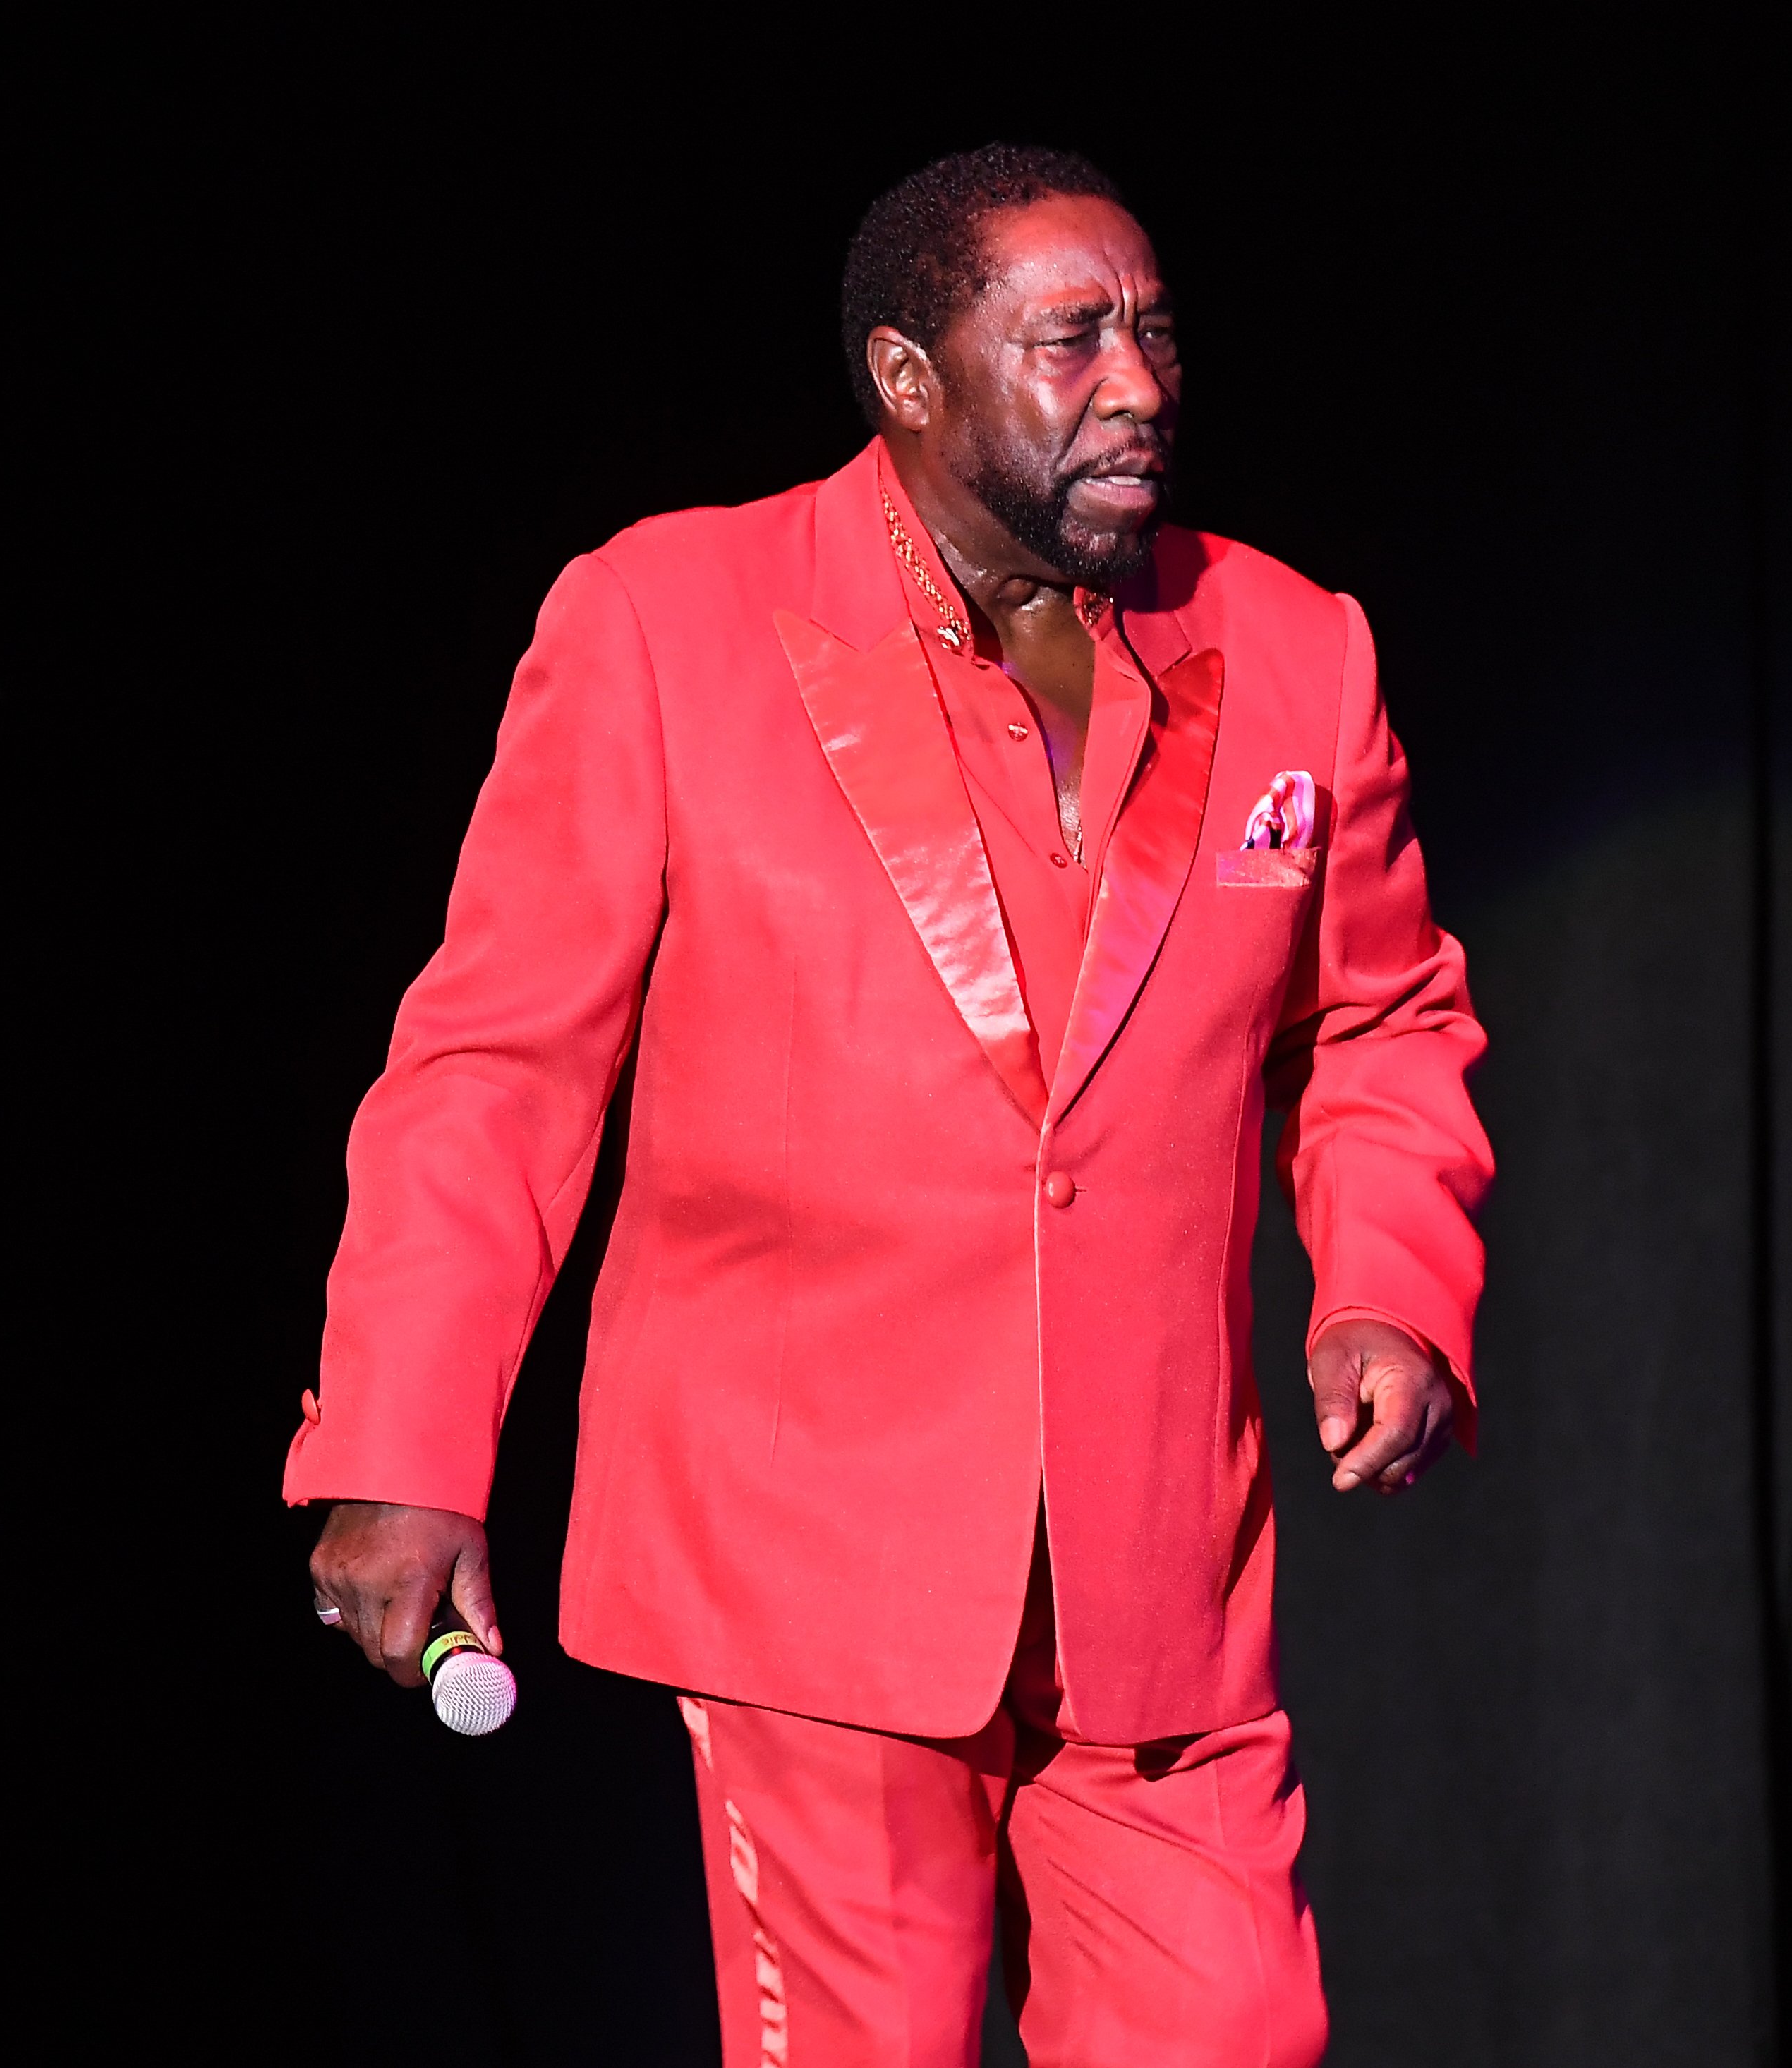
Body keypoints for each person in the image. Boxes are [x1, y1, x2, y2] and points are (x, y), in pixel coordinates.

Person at [291, 143, 1492, 2068]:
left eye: (1158, 334)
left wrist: (1392, 1282)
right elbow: (499, 1061)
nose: (1141, 386)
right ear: (908, 377)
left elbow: (1380, 1017)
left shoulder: (1289, 646)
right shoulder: (667, 620)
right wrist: (407, 1434)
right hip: (810, 1562)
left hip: (1154, 1580)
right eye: (1074, 339)